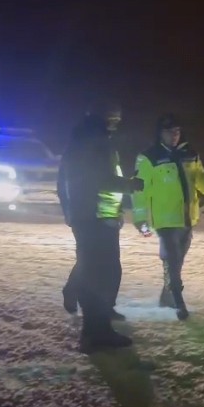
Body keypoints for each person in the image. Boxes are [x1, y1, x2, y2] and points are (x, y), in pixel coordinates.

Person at [57, 101, 144, 353]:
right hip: (95, 218)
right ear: (99, 116)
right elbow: (99, 179)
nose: (115, 122)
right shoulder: (94, 141)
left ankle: (97, 327)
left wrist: (71, 213)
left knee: (96, 271)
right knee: (102, 274)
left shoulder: (82, 139)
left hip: (92, 217)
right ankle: (96, 332)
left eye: (118, 118)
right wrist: (130, 184)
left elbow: (64, 181)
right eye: (111, 118)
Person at [132, 113, 204, 320]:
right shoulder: (149, 157)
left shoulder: (189, 153)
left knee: (177, 260)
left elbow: (201, 178)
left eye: (177, 131)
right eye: (169, 132)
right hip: (165, 220)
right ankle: (179, 303)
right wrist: (140, 218)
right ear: (159, 133)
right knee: (172, 259)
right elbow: (139, 190)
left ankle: (167, 294)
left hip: (188, 218)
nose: (174, 135)